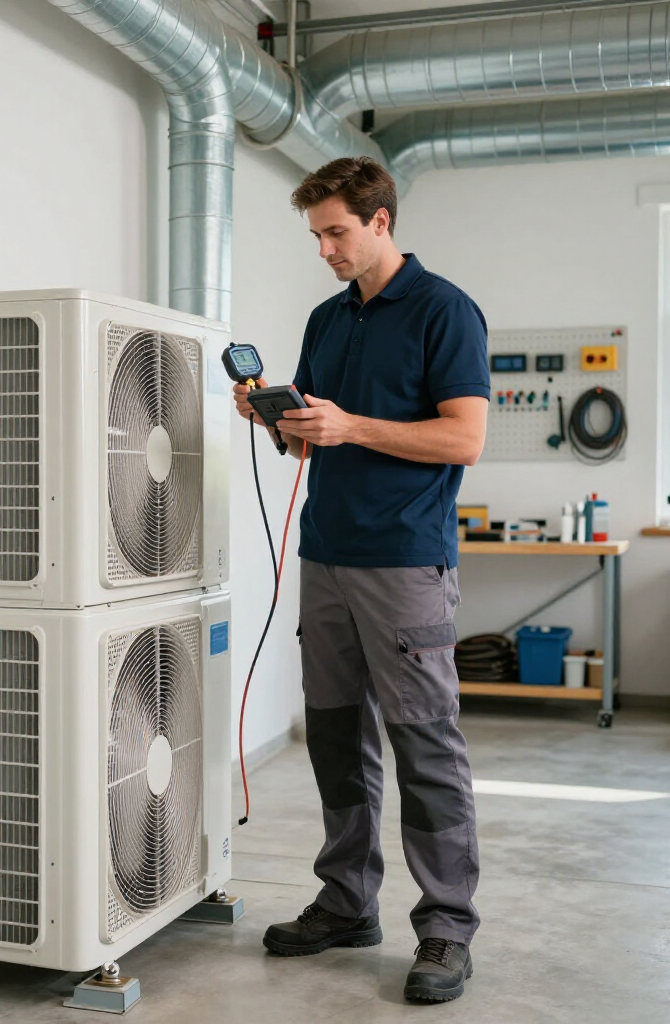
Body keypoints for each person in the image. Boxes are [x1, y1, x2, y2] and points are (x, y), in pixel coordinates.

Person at [233, 157, 490, 1005]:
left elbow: (462, 440)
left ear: (380, 222)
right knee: (338, 740)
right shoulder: (327, 319)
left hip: (406, 563)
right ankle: (348, 902)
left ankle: (447, 926)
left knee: (424, 743)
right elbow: (317, 441)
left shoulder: (445, 311)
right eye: (316, 236)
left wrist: (353, 424)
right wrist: (279, 418)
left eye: (336, 232)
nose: (326, 250)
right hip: (326, 558)